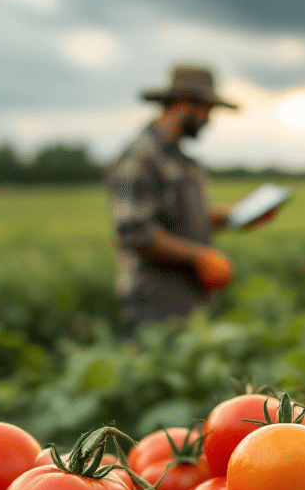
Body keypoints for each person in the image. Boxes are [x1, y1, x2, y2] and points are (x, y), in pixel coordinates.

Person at [106, 63, 274, 335]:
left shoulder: (183, 161)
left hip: (190, 300)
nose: (209, 119)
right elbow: (136, 233)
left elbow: (184, 217)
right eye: (207, 110)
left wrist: (236, 214)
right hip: (155, 304)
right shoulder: (140, 158)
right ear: (185, 104)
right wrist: (201, 255)